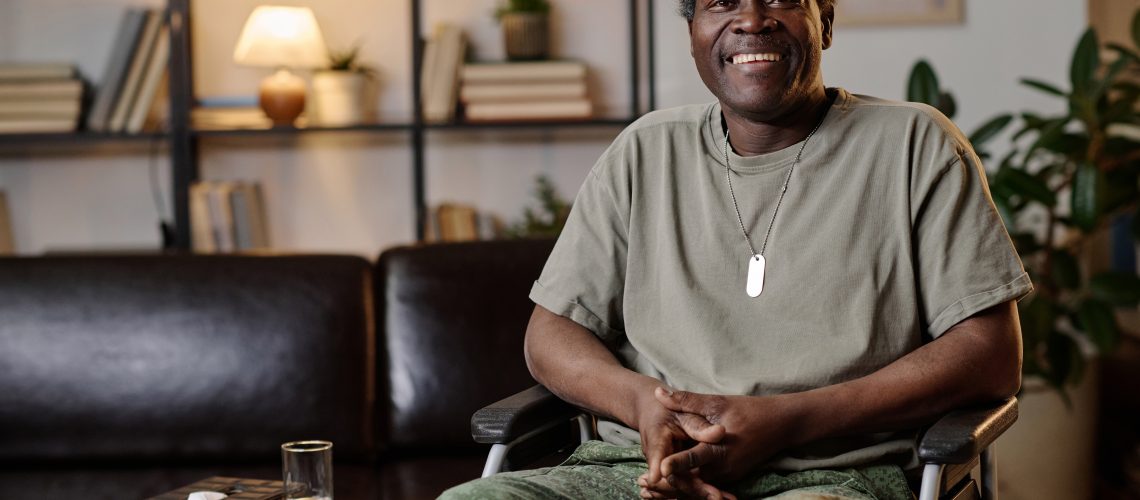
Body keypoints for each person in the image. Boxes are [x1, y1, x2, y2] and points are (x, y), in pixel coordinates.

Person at [442, 0, 1032, 498]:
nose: (752, 20)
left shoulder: (915, 145)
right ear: (694, 32)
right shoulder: (644, 152)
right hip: (636, 472)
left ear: (824, 20)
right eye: (720, 1)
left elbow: (989, 354)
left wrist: (786, 421)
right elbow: (551, 334)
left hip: (837, 476)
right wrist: (645, 405)